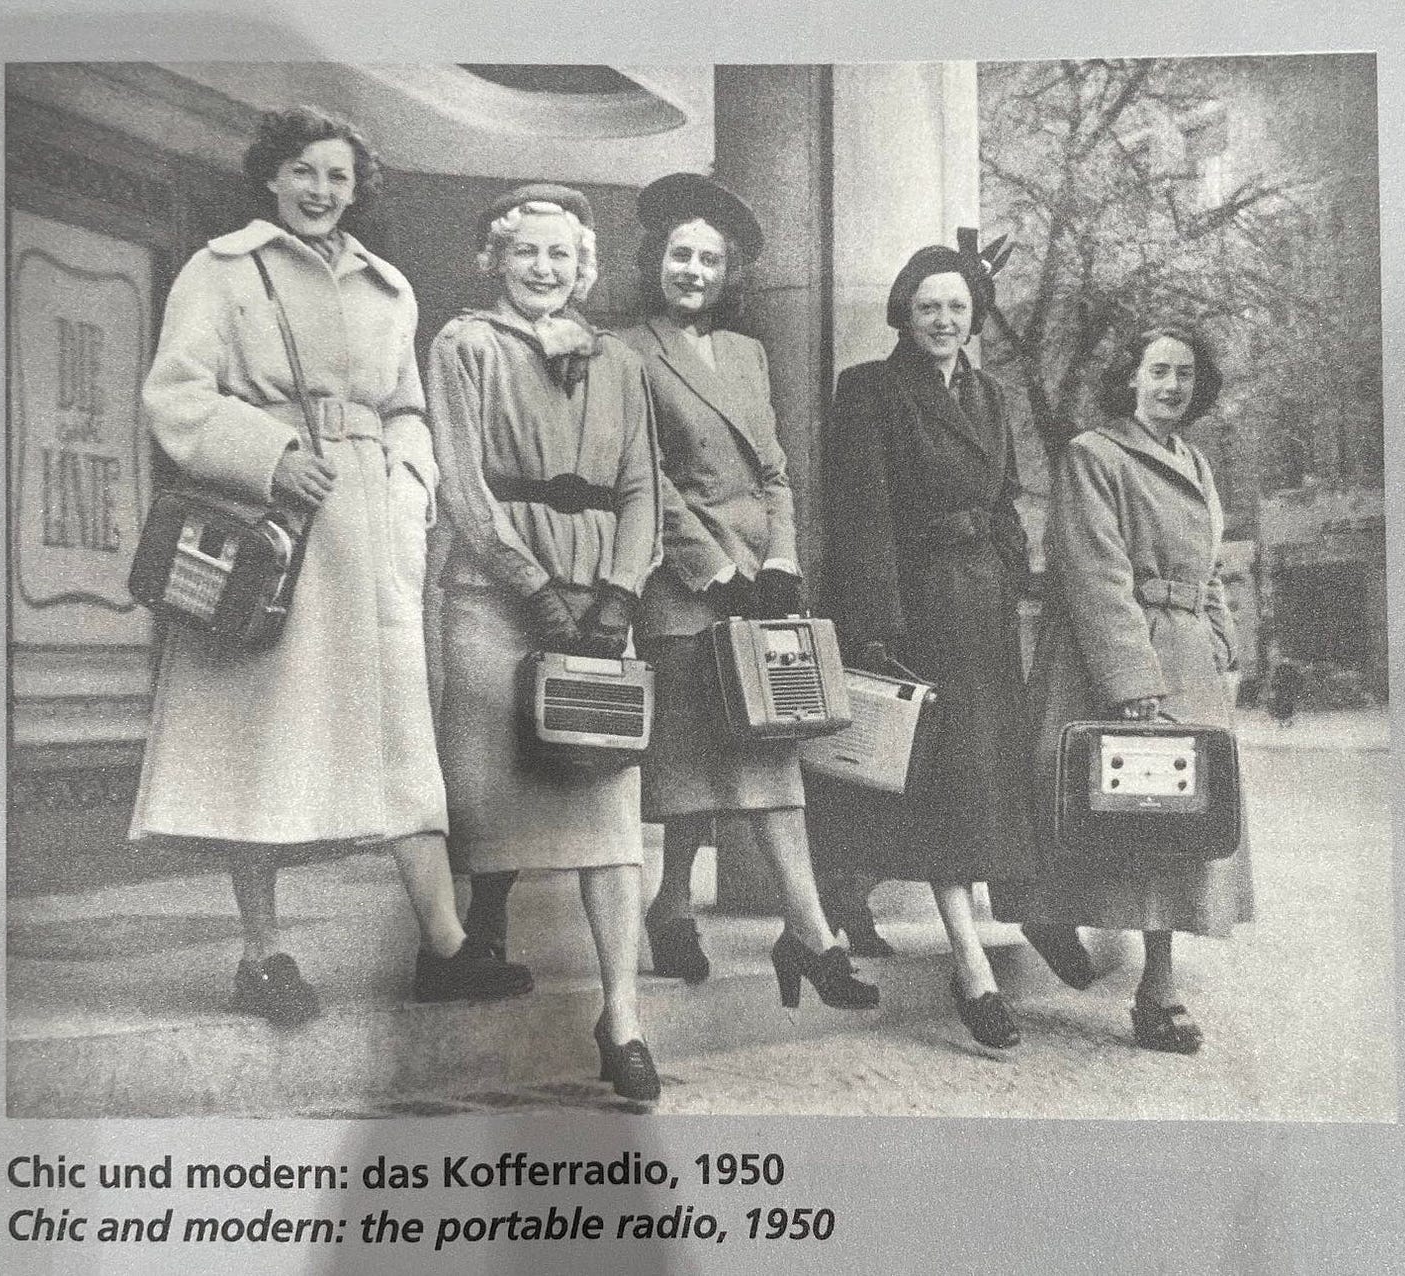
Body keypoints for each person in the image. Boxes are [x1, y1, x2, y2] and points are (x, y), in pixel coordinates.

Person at [130, 106, 532, 1026]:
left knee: (401, 734)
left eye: (338, 177)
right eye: (304, 172)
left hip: (369, 529)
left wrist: (409, 482)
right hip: (272, 529)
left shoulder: (389, 289)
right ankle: (262, 954)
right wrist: (268, 454)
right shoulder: (222, 269)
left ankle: (446, 947)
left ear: (357, 190)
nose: (320, 191)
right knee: (262, 735)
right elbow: (177, 395)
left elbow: (406, 406)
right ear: (272, 177)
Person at [614, 172, 876, 1010]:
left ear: (731, 274)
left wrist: (780, 564)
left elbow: (775, 472)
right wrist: (716, 570)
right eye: (681, 255)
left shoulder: (747, 355)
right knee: (702, 765)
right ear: (658, 260)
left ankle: (758, 923)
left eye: (710, 259)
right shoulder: (626, 350)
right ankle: (778, 928)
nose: (693, 270)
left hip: (759, 592)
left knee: (765, 749)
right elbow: (644, 478)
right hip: (685, 585)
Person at [427, 184, 665, 1102]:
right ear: (497, 259)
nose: (544, 269)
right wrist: (530, 585)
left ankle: (623, 1017)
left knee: (609, 819)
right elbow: (462, 483)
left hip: (598, 608)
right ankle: (472, 934)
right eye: (527, 252)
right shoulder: (465, 345)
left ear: (584, 267)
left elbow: (642, 485)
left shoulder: (620, 363)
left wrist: (619, 591)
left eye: (561, 256)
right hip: (495, 600)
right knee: (487, 793)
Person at [991, 323, 1254, 1054]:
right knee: (1106, 808)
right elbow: (1093, 571)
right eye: (1159, 371)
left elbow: (1208, 564)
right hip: (1108, 658)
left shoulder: (1197, 464)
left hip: (1188, 658)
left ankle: (1157, 988)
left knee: (1180, 826)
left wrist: (1222, 633)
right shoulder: (1094, 454)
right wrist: (1131, 680)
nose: (1173, 386)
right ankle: (1049, 916)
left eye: (1186, 374)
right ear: (1130, 379)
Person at [811, 237, 1037, 1049]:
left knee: (974, 779)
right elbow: (860, 514)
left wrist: (1012, 564)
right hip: (918, 609)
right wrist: (875, 628)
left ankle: (837, 903)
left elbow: (1008, 495)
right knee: (939, 784)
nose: (944, 320)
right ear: (905, 312)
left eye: (958, 308)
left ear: (975, 318)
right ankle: (969, 962)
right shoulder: (871, 389)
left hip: (984, 608)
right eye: (929, 306)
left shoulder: (991, 396)